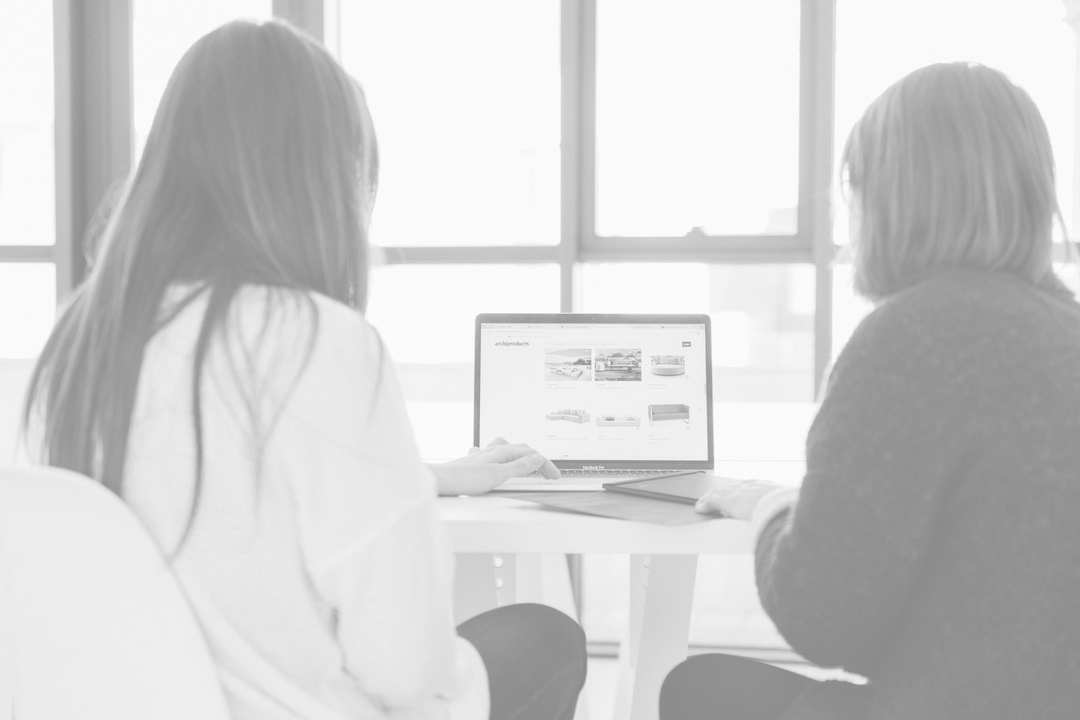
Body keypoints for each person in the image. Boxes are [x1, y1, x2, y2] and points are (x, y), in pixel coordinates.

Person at [23, 19, 585, 720]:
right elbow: (407, 669)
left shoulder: (79, 342)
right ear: (323, 181)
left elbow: (220, 494)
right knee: (547, 639)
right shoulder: (321, 342)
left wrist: (429, 475)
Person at [663, 62, 1080, 719]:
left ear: (892, 197)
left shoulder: (911, 338)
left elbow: (824, 622)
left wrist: (772, 508)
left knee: (695, 690)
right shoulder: (1065, 327)